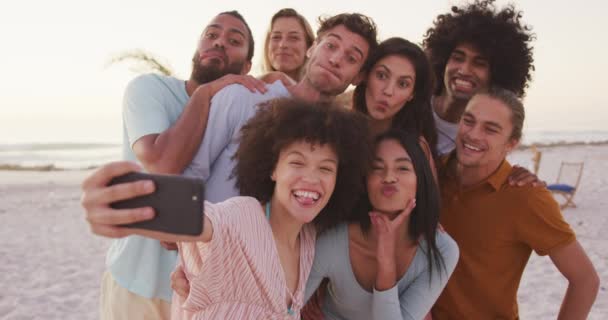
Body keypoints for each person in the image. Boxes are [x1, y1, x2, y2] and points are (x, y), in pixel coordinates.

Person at [81, 11, 378, 317]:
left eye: (351, 57)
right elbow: (192, 175)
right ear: (312, 48)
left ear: (357, 76)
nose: (336, 58)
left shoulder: (338, 138)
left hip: (265, 285)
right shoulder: (242, 96)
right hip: (200, 272)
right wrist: (176, 242)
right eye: (331, 46)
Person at [95, 99, 371, 319]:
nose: (311, 178)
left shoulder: (308, 241)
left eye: (325, 168)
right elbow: (205, 219)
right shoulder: (243, 215)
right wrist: (124, 198)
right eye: (297, 163)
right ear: (273, 168)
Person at [91, 10, 270, 319]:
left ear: (247, 67)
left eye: (234, 40)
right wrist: (204, 93)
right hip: (135, 284)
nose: (219, 43)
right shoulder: (149, 90)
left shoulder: (247, 115)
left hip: (200, 295)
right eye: (211, 35)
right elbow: (162, 164)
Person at [432, 87, 599, 319]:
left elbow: (585, 280)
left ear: (511, 143)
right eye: (468, 121)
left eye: (490, 129)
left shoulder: (526, 196)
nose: (473, 134)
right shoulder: (429, 173)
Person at [303, 130, 459, 320]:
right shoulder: (333, 240)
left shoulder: (442, 250)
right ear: (364, 181)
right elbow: (283, 309)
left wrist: (386, 261)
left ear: (421, 180)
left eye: (403, 168)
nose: (389, 177)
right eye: (377, 167)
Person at [422, 0, 535, 156]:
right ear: (443, 61)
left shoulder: (479, 137)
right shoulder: (412, 104)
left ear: (496, 75)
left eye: (479, 63)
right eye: (458, 58)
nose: (464, 70)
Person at [262, 8, 315, 81]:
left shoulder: (325, 91)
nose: (282, 45)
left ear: (309, 47)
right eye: (276, 37)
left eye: (293, 38)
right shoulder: (248, 90)